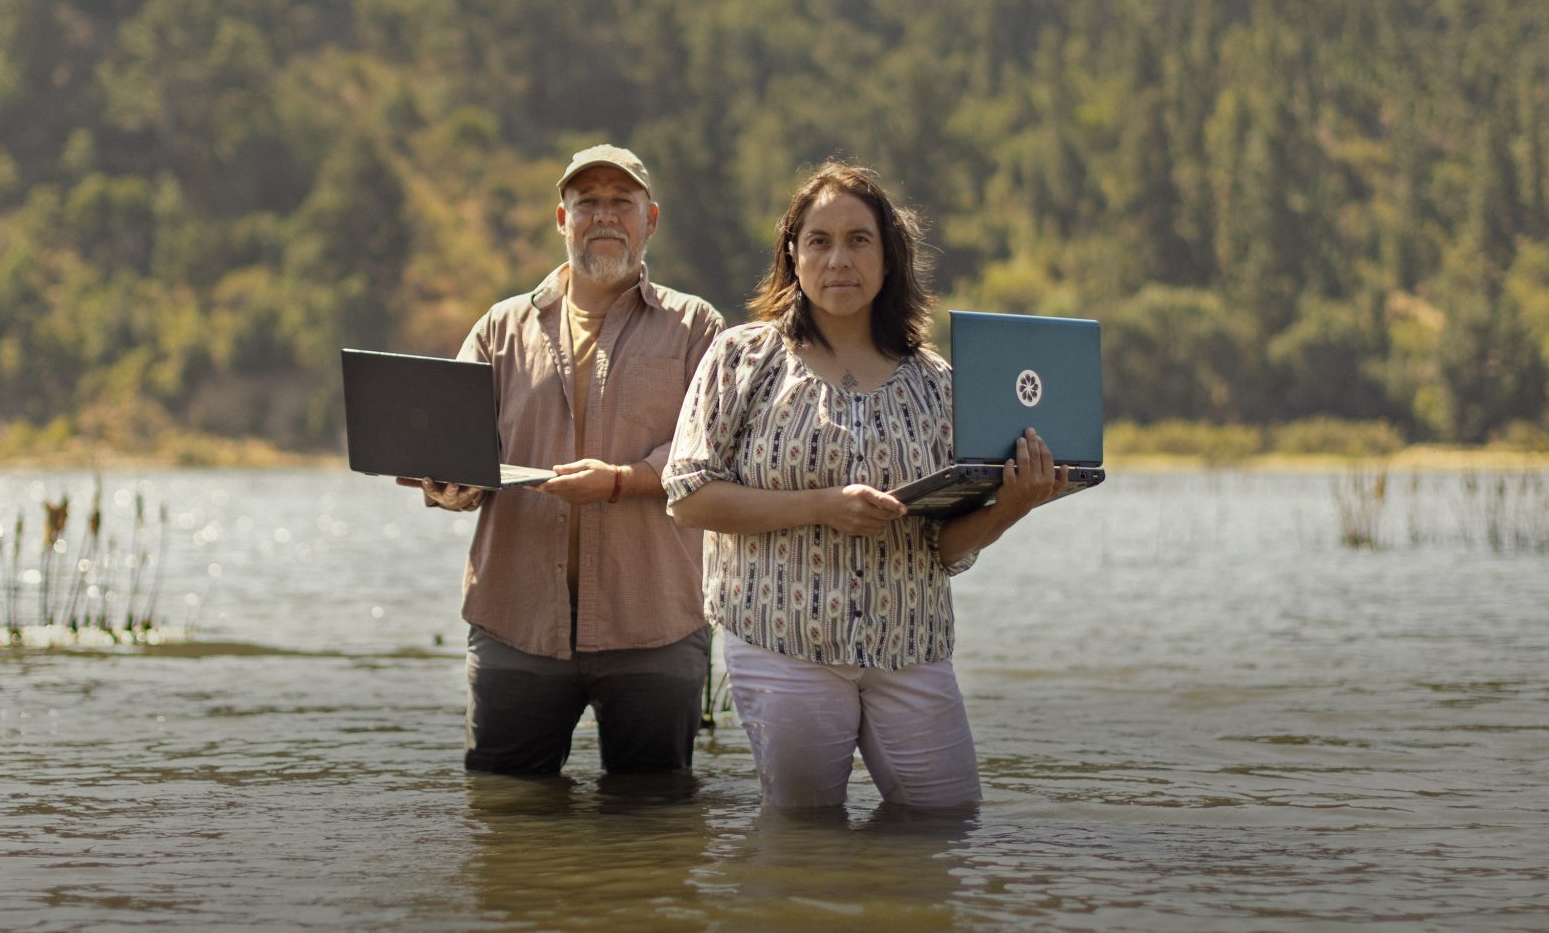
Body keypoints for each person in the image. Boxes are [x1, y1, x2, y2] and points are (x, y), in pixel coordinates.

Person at [662, 162, 1069, 809]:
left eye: (859, 240)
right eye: (819, 241)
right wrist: (823, 506)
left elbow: (942, 548)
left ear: (888, 259)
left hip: (911, 646)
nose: (838, 259)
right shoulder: (741, 359)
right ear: (792, 256)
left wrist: (1012, 506)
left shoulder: (939, 383)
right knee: (805, 839)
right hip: (782, 640)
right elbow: (687, 499)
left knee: (947, 820)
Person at [411, 145, 726, 778]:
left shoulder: (696, 327)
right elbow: (450, 450)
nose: (603, 216)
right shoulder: (499, 330)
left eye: (621, 202)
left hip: (657, 625)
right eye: (588, 203)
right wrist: (447, 483)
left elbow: (712, 450)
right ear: (562, 219)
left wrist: (620, 482)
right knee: (506, 823)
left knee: (654, 823)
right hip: (514, 625)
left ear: (651, 219)